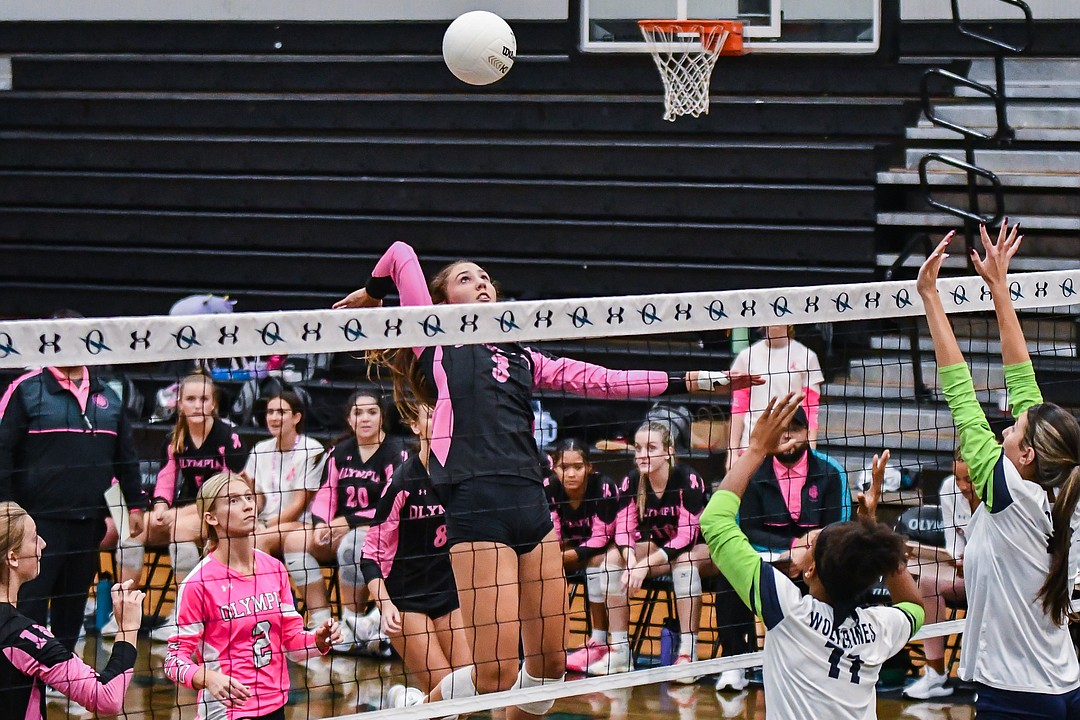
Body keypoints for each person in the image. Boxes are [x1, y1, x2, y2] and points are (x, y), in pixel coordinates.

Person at [334, 240, 760, 713]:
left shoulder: (523, 357)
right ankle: (414, 708)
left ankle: (421, 704)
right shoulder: (431, 339)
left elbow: (605, 379)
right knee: (494, 674)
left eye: (485, 277)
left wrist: (696, 381)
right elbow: (399, 254)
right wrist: (374, 296)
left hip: (533, 510)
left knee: (547, 679)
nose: (481, 283)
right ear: (442, 301)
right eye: (465, 278)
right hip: (477, 509)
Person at [917, 220, 1080, 718]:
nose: (1006, 427)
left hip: (1017, 697)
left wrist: (929, 296)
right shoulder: (1065, 485)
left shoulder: (1007, 491)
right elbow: (1024, 384)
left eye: (1013, 430)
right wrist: (998, 287)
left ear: (1026, 454)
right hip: (1065, 684)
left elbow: (961, 394)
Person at [701, 394, 925, 719]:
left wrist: (754, 449)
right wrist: (872, 526)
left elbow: (714, 522)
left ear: (809, 572)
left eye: (812, 546)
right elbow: (915, 606)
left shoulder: (787, 610)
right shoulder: (880, 628)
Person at [0, 327, 147, 653]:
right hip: (34, 524)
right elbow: (3, 452)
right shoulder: (26, 390)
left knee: (73, 603)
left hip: (87, 522)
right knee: (29, 604)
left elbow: (126, 456)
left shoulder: (108, 396)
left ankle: (62, 675)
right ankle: (23, 675)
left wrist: (135, 505)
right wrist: (5, 507)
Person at [163, 472, 341, 720]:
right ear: (211, 517)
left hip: (275, 707)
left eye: (248, 497)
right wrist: (207, 677)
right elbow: (173, 661)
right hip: (227, 712)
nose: (247, 505)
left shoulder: (274, 569)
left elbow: (291, 643)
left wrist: (319, 641)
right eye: (233, 500)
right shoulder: (199, 583)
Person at [716, 404, 852, 691]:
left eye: (795, 430)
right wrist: (792, 547)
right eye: (781, 430)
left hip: (817, 561)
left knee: (840, 573)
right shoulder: (752, 472)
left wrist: (807, 555)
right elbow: (746, 529)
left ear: (806, 432)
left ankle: (821, 662)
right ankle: (734, 662)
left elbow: (839, 528)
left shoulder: (830, 471)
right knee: (728, 576)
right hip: (767, 557)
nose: (787, 437)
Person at [361, 404, 470, 705]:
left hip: (450, 595)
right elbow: (370, 555)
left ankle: (410, 704)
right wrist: (384, 604)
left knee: (469, 691)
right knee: (447, 693)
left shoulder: (465, 479)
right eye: (431, 414)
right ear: (416, 426)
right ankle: (411, 703)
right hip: (406, 600)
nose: (440, 420)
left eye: (446, 412)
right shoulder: (402, 482)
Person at [283, 390, 408, 648]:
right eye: (358, 413)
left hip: (385, 534)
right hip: (342, 528)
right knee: (294, 541)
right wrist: (320, 524)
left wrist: (349, 522)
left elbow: (393, 504)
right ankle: (323, 623)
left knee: (352, 545)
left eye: (372, 412)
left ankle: (353, 624)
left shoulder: (396, 453)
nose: (365, 418)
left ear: (381, 417)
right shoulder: (340, 453)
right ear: (350, 419)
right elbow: (326, 495)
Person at [0, 501, 146, 720]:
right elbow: (107, 697)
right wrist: (128, 628)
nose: (43, 543)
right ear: (12, 557)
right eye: (33, 538)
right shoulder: (24, 638)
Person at [143, 373, 247, 641]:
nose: (198, 405)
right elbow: (166, 479)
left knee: (178, 528)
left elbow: (231, 489)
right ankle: (122, 615)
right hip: (192, 511)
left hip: (227, 511)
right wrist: (159, 507)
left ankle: (184, 616)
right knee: (137, 529)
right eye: (191, 399)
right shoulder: (175, 438)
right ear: (180, 404)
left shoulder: (228, 436)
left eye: (204, 399)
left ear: (213, 404)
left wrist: (179, 513)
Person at [621, 420, 716, 678]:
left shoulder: (688, 478)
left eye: (651, 448)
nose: (642, 455)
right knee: (613, 562)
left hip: (705, 550)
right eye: (638, 448)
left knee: (684, 561)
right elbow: (623, 531)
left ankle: (688, 653)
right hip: (664, 552)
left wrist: (643, 565)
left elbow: (687, 536)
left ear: (669, 451)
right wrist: (630, 560)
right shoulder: (632, 482)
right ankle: (616, 649)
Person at [546, 439, 634, 676]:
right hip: (572, 549)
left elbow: (601, 538)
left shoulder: (602, 487)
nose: (571, 473)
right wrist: (556, 556)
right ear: (555, 468)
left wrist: (562, 557)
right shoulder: (550, 488)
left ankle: (599, 639)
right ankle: (546, 647)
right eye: (565, 467)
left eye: (578, 467)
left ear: (589, 468)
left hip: (607, 547)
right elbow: (553, 535)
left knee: (597, 563)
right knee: (540, 569)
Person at [903, 446, 975, 700]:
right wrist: (957, 558)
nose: (962, 486)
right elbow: (952, 539)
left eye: (969, 479)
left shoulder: (1001, 492)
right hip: (968, 574)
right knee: (928, 580)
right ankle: (935, 675)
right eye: (958, 478)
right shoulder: (948, 489)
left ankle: (987, 678)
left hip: (1000, 578)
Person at [727, 324, 824, 470]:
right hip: (752, 447)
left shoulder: (807, 357)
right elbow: (738, 409)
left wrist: (811, 452)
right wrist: (732, 452)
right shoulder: (747, 357)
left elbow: (811, 411)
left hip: (790, 449)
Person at [243, 391, 326, 557]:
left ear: (296, 418)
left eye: (281, 412)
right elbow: (256, 496)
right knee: (228, 539)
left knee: (254, 541)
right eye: (270, 412)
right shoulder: (260, 449)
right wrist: (253, 518)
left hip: (299, 524)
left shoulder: (312, 449)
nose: (274, 418)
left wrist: (265, 525)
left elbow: (299, 505)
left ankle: (266, 583)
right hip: (263, 523)